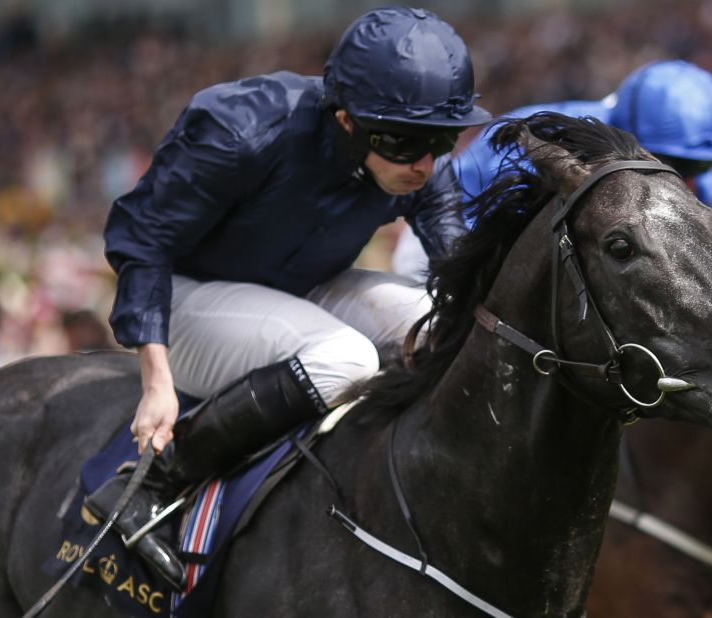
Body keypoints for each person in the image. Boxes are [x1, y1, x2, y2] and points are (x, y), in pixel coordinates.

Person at [84, 7, 490, 588]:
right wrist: (156, 382)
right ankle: (149, 484)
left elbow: (460, 273)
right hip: (188, 299)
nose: (425, 164)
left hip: (295, 291)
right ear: (347, 121)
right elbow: (140, 240)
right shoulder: (241, 129)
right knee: (346, 359)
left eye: (441, 140)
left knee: (443, 325)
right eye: (404, 143)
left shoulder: (419, 163)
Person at [392, 60, 712, 281]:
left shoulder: (704, 183)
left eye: (698, 166)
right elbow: (472, 244)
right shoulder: (537, 142)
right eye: (672, 163)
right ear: (633, 142)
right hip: (446, 242)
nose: (684, 179)